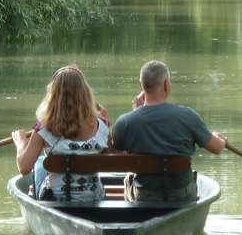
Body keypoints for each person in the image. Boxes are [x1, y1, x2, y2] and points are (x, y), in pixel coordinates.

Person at [110, 60, 226, 203]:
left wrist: (136, 111)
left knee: (129, 177)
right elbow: (218, 148)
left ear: (142, 86)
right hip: (182, 194)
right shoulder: (187, 116)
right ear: (166, 84)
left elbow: (115, 152)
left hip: (145, 196)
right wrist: (219, 138)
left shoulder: (125, 122)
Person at [13, 65, 109, 202]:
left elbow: (24, 168)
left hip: (56, 197)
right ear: (85, 93)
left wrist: (21, 144)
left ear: (53, 95)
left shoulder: (43, 128)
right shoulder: (101, 125)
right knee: (41, 162)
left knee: (40, 165)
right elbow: (110, 155)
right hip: (93, 198)